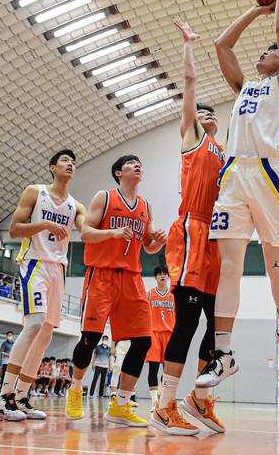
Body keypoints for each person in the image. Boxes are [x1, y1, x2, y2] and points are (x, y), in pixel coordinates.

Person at [197, 0, 279, 390]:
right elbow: (221, 45)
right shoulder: (244, 87)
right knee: (230, 268)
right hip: (234, 175)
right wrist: (256, 9)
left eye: (271, 51)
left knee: (276, 267)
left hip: (269, 175)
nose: (264, 51)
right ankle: (223, 354)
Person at [151, 20, 224, 436]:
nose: (207, 114)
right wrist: (189, 46)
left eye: (213, 113)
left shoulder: (222, 151)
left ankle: (200, 398)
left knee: (216, 324)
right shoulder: (192, 139)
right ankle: (164, 406)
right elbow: (191, 84)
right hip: (192, 232)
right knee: (187, 323)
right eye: (201, 112)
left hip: (215, 238)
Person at [64, 154, 167, 425]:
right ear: (119, 173)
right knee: (91, 337)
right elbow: (85, 232)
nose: (138, 165)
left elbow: (148, 246)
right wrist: (112, 232)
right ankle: (76, 388)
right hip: (102, 275)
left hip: (132, 278)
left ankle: (121, 404)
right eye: (131, 163)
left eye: (140, 163)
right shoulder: (105, 197)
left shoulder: (145, 206)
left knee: (143, 341)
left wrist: (157, 242)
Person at [0, 150, 87, 421]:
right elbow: (14, 229)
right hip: (35, 263)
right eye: (65, 160)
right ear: (52, 167)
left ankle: (22, 397)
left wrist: (114, 233)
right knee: (34, 324)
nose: (70, 164)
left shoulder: (76, 206)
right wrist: (44, 224)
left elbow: (87, 232)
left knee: (45, 335)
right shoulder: (35, 192)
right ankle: (3, 397)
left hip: (58, 269)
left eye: (73, 162)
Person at [145, 266, 174, 408]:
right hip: (154, 334)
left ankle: (161, 395)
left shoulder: (174, 294)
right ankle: (154, 402)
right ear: (155, 277)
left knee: (168, 370)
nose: (162, 276)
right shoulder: (149, 293)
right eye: (159, 274)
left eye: (165, 274)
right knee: (153, 368)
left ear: (168, 277)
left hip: (169, 334)